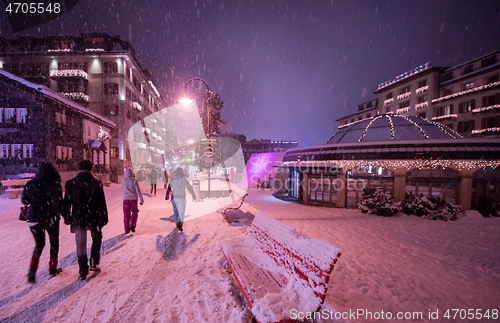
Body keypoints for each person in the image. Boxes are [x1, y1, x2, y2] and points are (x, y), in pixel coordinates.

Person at [62, 160, 108, 280]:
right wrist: (104, 218)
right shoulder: (96, 183)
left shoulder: (71, 183)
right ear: (91, 169)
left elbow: (66, 203)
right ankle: (93, 261)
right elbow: (101, 203)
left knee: (81, 244)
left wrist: (67, 216)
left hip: (78, 217)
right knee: (97, 238)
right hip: (94, 216)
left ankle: (83, 270)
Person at [21, 162, 64, 283]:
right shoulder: (55, 185)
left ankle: (32, 269)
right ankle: (52, 268)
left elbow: (24, 200)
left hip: (33, 218)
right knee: (54, 242)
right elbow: (60, 203)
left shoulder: (30, 184)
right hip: (51, 217)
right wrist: (66, 216)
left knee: (39, 244)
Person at [165, 167, 196, 231]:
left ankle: (177, 223)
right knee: (182, 211)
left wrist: (167, 195)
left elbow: (169, 188)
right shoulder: (184, 180)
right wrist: (193, 195)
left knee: (175, 211)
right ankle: (180, 222)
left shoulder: (173, 180)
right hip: (182, 198)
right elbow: (189, 187)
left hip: (174, 198)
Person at [122, 168, 144, 233]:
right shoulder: (134, 180)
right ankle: (132, 223)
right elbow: (138, 190)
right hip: (133, 198)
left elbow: (122, 187)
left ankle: (126, 229)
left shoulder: (123, 180)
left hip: (125, 198)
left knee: (126, 213)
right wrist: (141, 199)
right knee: (135, 211)